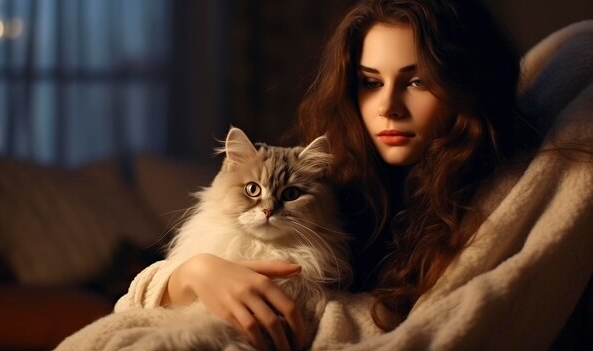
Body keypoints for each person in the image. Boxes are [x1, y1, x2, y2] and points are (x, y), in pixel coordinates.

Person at [114, 0, 580, 350]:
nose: (389, 108)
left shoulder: (498, 194)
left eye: (417, 81)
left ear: (466, 84)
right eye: (371, 82)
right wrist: (192, 274)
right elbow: (131, 305)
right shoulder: (347, 173)